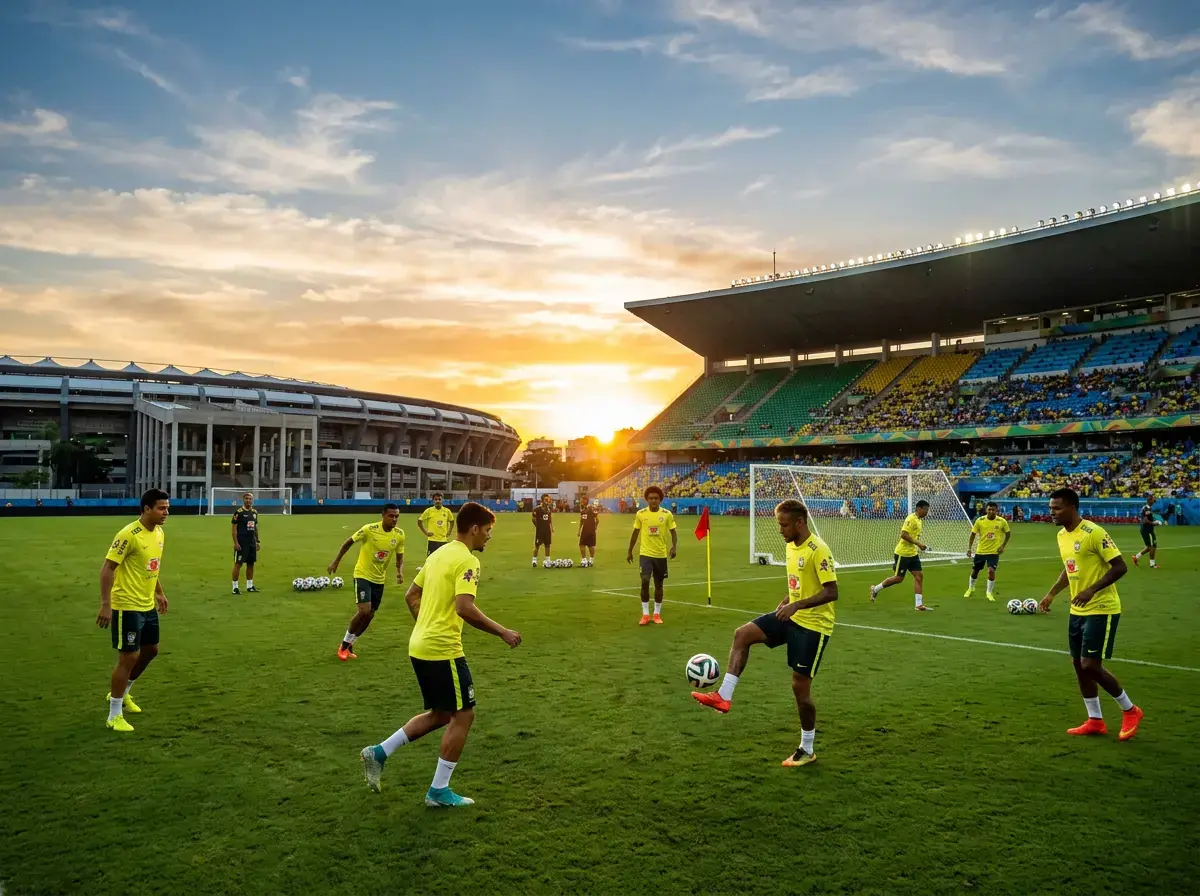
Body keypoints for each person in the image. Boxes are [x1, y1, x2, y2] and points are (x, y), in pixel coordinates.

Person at [359, 502, 522, 807]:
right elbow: (464, 607)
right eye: (488, 530)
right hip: (442, 649)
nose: (489, 536)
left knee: (442, 713)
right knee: (464, 714)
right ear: (474, 529)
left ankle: (378, 753)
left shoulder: (438, 554)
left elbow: (411, 595)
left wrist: (425, 624)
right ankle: (438, 791)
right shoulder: (468, 560)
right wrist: (502, 631)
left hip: (419, 645)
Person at [692, 500, 837, 767]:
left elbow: (831, 591)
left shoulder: (818, 550)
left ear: (799, 523)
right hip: (790, 615)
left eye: (784, 525)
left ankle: (807, 749)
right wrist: (788, 600)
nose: (780, 530)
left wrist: (797, 605)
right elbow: (800, 584)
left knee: (800, 688)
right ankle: (724, 696)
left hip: (813, 626)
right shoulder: (791, 545)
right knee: (742, 635)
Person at [1039, 487, 1142, 740]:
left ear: (1072, 508)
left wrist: (1091, 590)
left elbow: (1120, 567)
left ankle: (1130, 710)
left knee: (1090, 665)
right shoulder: (1062, 535)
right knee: (1079, 666)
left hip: (1102, 608)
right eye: (1050, 508)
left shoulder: (1094, 532)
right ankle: (1095, 720)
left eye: (1057, 508)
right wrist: (1052, 593)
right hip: (1077, 610)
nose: (1052, 513)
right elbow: (1069, 568)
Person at [96, 488, 171, 733]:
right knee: (128, 657)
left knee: (151, 650)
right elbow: (107, 569)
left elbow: (151, 567)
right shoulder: (128, 534)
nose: (166, 513)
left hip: (146, 604)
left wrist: (159, 592)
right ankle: (114, 715)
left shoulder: (159, 532)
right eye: (161, 508)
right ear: (147, 508)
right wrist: (106, 604)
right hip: (126, 605)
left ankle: (122, 692)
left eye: (167, 508)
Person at [328, 504, 405, 661]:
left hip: (379, 579)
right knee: (364, 610)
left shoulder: (399, 535)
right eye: (391, 516)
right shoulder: (369, 529)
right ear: (383, 515)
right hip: (362, 574)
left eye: (397, 516)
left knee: (370, 614)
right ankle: (344, 645)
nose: (394, 519)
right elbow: (348, 542)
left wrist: (399, 571)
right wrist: (336, 562)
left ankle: (350, 644)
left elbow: (399, 556)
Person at [626, 486, 677, 625]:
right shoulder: (641, 514)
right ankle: (645, 615)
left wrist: (674, 547)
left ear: (660, 499)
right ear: (646, 499)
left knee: (659, 585)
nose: (653, 500)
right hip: (645, 554)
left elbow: (673, 532)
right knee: (645, 580)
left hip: (660, 554)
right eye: (650, 498)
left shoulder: (667, 514)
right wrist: (630, 550)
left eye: (656, 498)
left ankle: (656, 614)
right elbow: (635, 533)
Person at [870, 500, 932, 610]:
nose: (927, 512)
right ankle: (875, 589)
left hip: (913, 553)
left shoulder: (919, 520)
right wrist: (918, 543)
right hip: (903, 553)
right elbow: (903, 535)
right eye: (925, 509)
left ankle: (918, 605)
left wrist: (919, 545)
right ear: (919, 509)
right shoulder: (911, 519)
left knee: (919, 576)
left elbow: (913, 537)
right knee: (898, 578)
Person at [964, 501, 1011, 601]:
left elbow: (1008, 534)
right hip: (981, 551)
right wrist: (969, 548)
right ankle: (971, 588)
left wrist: (1003, 546)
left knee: (991, 571)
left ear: (996, 510)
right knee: (975, 572)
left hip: (994, 552)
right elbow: (972, 535)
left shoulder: (1001, 521)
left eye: (993, 510)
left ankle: (989, 592)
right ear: (986, 509)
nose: (991, 511)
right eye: (989, 509)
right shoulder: (980, 520)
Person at [230, 492, 260, 595]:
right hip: (242, 543)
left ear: (252, 500)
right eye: (246, 498)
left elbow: (255, 527)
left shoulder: (255, 512)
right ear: (243, 500)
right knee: (238, 564)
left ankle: (250, 586)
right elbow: (234, 529)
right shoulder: (238, 513)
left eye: (250, 499)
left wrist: (257, 541)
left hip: (252, 543)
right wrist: (236, 543)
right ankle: (235, 588)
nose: (248, 500)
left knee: (251, 564)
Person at [1132, 495, 1161, 569]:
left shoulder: (1148, 508)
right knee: (1153, 546)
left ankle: (1136, 557)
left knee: (1149, 547)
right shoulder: (1146, 509)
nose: (1154, 501)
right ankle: (1152, 564)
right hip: (1147, 531)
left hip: (1147, 530)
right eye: (1153, 500)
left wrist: (1154, 522)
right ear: (1149, 500)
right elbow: (1145, 521)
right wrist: (1154, 523)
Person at [531, 494, 554, 567]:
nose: (547, 501)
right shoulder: (537, 509)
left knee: (547, 545)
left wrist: (552, 527)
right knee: (537, 545)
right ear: (542, 500)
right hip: (540, 531)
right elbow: (533, 519)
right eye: (546, 500)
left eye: (548, 500)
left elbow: (550, 518)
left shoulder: (549, 508)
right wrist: (538, 526)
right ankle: (534, 560)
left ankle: (548, 560)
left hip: (547, 530)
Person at [578, 500, 600, 567]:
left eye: (581, 501)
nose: (580, 502)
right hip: (591, 530)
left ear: (585, 501)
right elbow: (597, 520)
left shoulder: (585, 509)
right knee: (591, 545)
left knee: (582, 544)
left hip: (585, 530)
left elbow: (582, 521)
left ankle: (584, 560)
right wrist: (595, 527)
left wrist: (579, 530)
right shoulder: (591, 508)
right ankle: (591, 560)